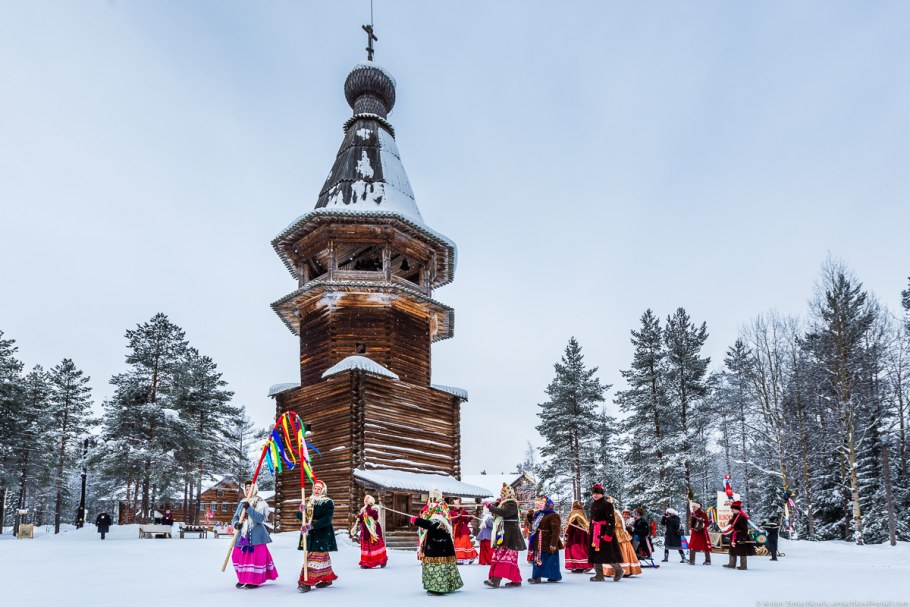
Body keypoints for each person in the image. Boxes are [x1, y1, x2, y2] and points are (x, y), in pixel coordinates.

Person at [410, 489, 463, 595]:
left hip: (438, 544)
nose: (429, 501)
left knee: (437, 566)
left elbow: (433, 524)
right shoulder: (439, 507)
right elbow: (429, 519)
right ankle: (447, 585)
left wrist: (417, 521)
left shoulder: (439, 508)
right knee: (442, 565)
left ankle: (438, 588)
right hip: (439, 543)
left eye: (431, 498)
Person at [230, 480, 278, 589]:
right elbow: (235, 517)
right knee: (237, 556)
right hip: (242, 534)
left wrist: (249, 508)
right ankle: (243, 579)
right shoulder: (242, 502)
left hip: (255, 534)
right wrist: (236, 524)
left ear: (254, 489)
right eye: (246, 489)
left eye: (249, 489)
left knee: (253, 558)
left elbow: (260, 519)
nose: (247, 491)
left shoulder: (260, 502)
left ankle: (254, 581)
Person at [297, 479, 338, 592]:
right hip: (309, 533)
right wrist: (301, 511)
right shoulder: (308, 500)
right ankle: (326, 578)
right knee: (321, 556)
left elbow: (327, 519)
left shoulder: (327, 502)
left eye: (319, 489)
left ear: (323, 490)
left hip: (321, 532)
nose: (316, 490)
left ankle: (307, 582)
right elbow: (301, 517)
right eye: (315, 488)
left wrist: (312, 526)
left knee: (315, 556)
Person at [485, 483, 527, 588]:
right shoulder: (505, 503)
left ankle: (495, 581)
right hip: (504, 535)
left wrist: (491, 507)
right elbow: (498, 513)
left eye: (503, 493)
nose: (502, 495)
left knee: (505, 558)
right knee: (505, 557)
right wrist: (496, 505)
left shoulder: (512, 503)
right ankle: (516, 580)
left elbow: (504, 513)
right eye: (501, 493)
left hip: (510, 536)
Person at [588, 483, 624, 582]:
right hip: (595, 532)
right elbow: (592, 519)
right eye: (594, 493)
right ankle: (599, 575)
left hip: (604, 532)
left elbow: (611, 521)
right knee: (595, 554)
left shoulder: (607, 505)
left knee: (608, 554)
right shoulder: (592, 504)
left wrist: (608, 534)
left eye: (597, 493)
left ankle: (619, 570)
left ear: (602, 494)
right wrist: (590, 529)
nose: (595, 495)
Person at [527, 495, 562, 584]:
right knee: (538, 558)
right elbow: (534, 524)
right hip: (539, 540)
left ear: (548, 505)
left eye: (543, 503)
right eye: (540, 503)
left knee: (551, 560)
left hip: (548, 541)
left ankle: (554, 576)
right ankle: (536, 577)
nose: (541, 505)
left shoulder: (553, 515)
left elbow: (556, 531)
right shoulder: (540, 514)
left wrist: (553, 544)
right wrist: (530, 516)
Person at [355, 495, 388, 569]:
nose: (366, 500)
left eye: (367, 499)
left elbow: (371, 514)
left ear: (371, 500)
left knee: (375, 545)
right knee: (366, 546)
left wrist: (368, 507)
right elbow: (362, 519)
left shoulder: (375, 508)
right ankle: (366, 563)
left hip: (374, 530)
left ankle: (382, 561)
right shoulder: (363, 509)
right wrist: (359, 518)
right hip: (365, 530)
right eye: (365, 499)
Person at [611, 500, 642, 577]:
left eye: (627, 514)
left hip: (617, 534)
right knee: (624, 550)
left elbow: (614, 524)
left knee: (619, 550)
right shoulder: (617, 513)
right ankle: (626, 569)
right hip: (622, 534)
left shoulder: (614, 513)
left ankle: (620, 569)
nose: (625, 516)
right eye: (624, 514)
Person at [723, 500, 755, 570]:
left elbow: (744, 529)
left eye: (733, 509)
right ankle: (731, 564)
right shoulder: (734, 516)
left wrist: (743, 538)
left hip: (740, 535)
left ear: (737, 509)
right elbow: (731, 525)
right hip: (734, 535)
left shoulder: (742, 517)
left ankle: (743, 565)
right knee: (732, 550)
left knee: (742, 551)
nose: (732, 511)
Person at [564, 500, 592, 573]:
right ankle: (584, 565)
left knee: (576, 550)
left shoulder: (574, 513)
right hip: (583, 534)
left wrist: (567, 533)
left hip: (575, 535)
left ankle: (580, 566)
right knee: (583, 549)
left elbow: (572, 524)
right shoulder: (582, 512)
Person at [450, 497, 478, 564]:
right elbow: (452, 521)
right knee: (458, 543)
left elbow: (466, 521)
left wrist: (469, 518)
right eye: (455, 504)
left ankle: (470, 557)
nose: (457, 505)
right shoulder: (452, 512)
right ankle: (459, 558)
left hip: (463, 530)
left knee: (466, 542)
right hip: (456, 530)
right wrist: (457, 517)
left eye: (458, 504)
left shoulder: (464, 511)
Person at [687, 501, 712, 565]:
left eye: (694, 507)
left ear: (698, 507)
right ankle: (691, 560)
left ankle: (708, 560)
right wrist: (690, 527)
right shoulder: (692, 514)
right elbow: (690, 522)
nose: (693, 508)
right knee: (692, 545)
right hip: (694, 533)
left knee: (705, 546)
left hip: (702, 533)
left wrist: (702, 524)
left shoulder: (703, 514)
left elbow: (707, 523)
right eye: (693, 507)